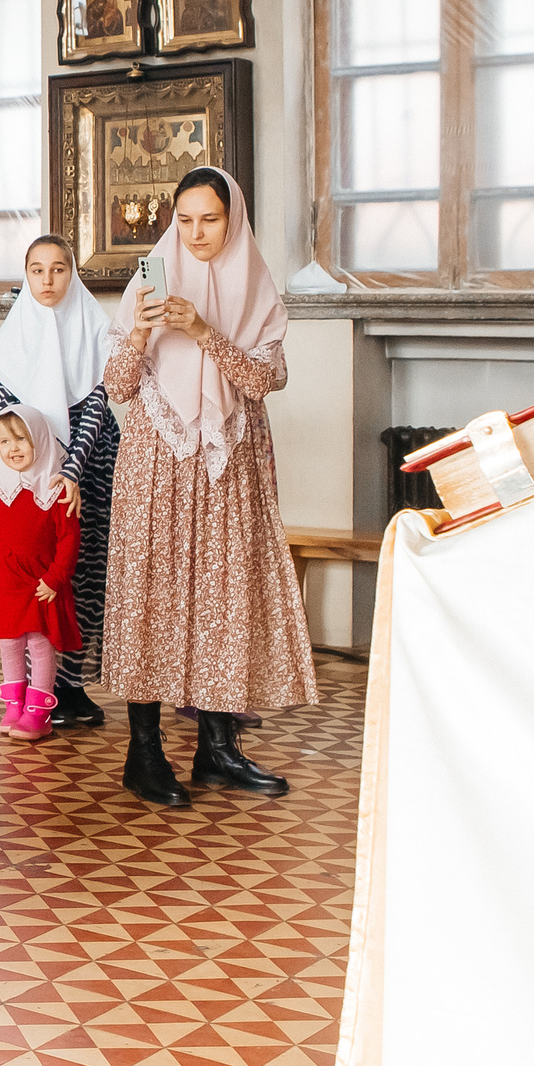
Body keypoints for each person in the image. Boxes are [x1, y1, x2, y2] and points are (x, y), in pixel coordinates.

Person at [102, 166, 315, 809]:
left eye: (210, 220)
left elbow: (262, 381)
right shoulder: (149, 275)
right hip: (157, 457)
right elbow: (116, 381)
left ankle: (217, 750)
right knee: (154, 588)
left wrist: (201, 331)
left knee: (224, 591)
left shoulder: (256, 284)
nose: (196, 233)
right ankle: (144, 754)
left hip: (228, 464)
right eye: (185, 219)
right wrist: (142, 330)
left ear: (234, 220)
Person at [0, 234, 114, 728]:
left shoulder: (94, 327)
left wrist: (70, 472)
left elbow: (97, 406)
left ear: (72, 273)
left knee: (80, 572)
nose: (48, 279)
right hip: (28, 476)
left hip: (87, 468)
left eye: (58, 269)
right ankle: (41, 685)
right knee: (33, 575)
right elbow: (4, 419)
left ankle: (71, 685)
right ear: (26, 274)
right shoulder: (16, 333)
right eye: (37, 270)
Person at [0, 404, 80, 740]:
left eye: (21, 439)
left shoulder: (57, 491)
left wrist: (55, 578)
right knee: (9, 643)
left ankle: (38, 712)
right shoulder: (0, 490)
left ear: (40, 442)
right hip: (7, 580)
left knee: (39, 642)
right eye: (4, 442)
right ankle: (14, 706)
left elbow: (69, 540)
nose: (13, 448)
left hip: (40, 582)